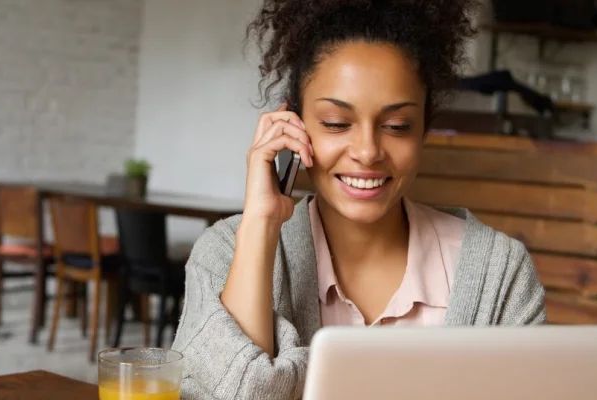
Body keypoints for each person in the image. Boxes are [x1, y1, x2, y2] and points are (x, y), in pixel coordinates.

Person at [170, 0, 547, 398]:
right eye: (336, 123)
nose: (368, 152)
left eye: (396, 126)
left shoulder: (502, 275)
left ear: (424, 131)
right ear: (294, 126)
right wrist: (259, 227)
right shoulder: (225, 253)